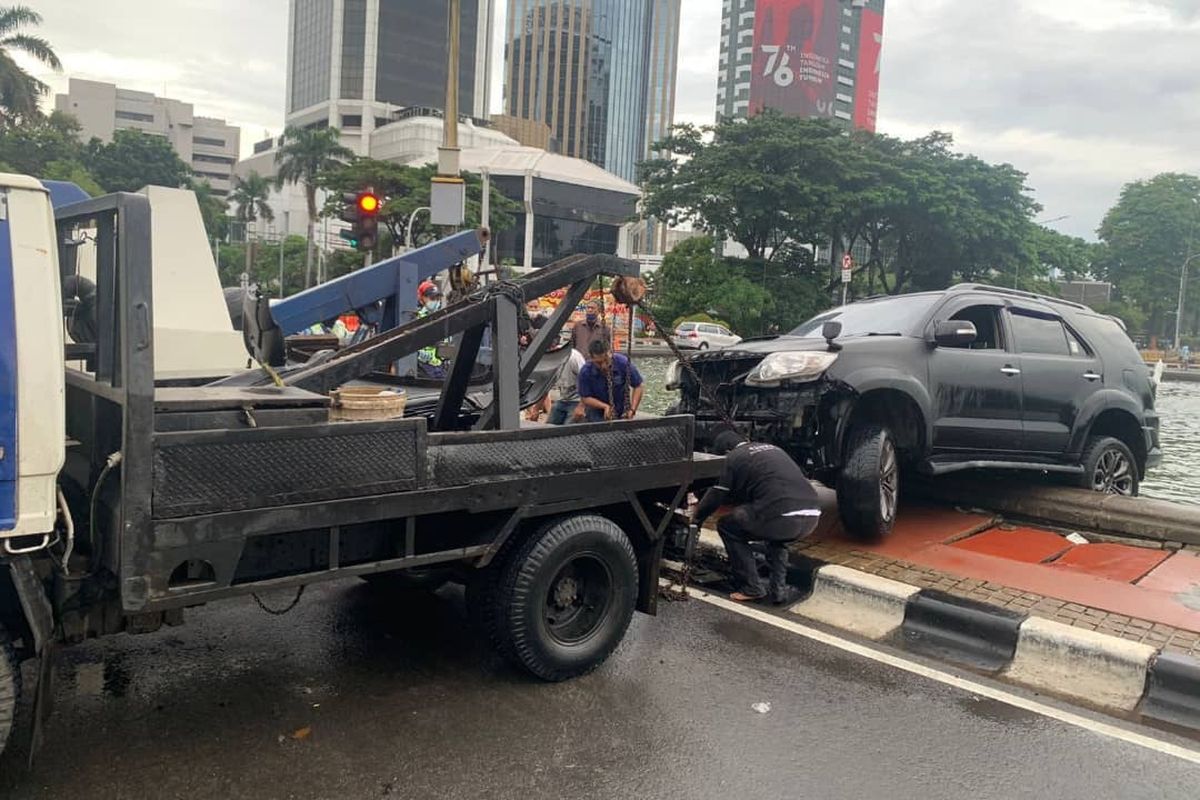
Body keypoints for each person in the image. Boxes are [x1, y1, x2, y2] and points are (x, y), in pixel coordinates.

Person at [692, 429, 821, 604]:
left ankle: (751, 587)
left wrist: (697, 519)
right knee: (777, 538)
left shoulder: (732, 458)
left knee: (728, 526)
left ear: (726, 451)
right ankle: (778, 591)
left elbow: (715, 496)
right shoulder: (774, 449)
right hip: (812, 514)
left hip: (781, 514)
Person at [578, 339, 643, 422]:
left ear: (610, 353)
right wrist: (605, 406)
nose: (604, 366)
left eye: (606, 361)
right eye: (599, 363)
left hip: (620, 409)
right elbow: (585, 397)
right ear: (591, 358)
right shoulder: (586, 371)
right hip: (596, 411)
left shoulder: (623, 363)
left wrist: (633, 409)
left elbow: (638, 386)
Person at [416, 284, 447, 379]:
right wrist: (418, 354)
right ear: (422, 299)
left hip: (440, 367)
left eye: (438, 298)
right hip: (422, 368)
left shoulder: (442, 318)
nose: (436, 301)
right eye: (432, 298)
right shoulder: (416, 319)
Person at [548, 348, 587, 425]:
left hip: (577, 400)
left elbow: (586, 382)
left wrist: (581, 406)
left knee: (569, 429)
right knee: (549, 427)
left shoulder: (573, 358)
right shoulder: (548, 361)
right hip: (562, 399)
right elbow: (545, 386)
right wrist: (536, 410)